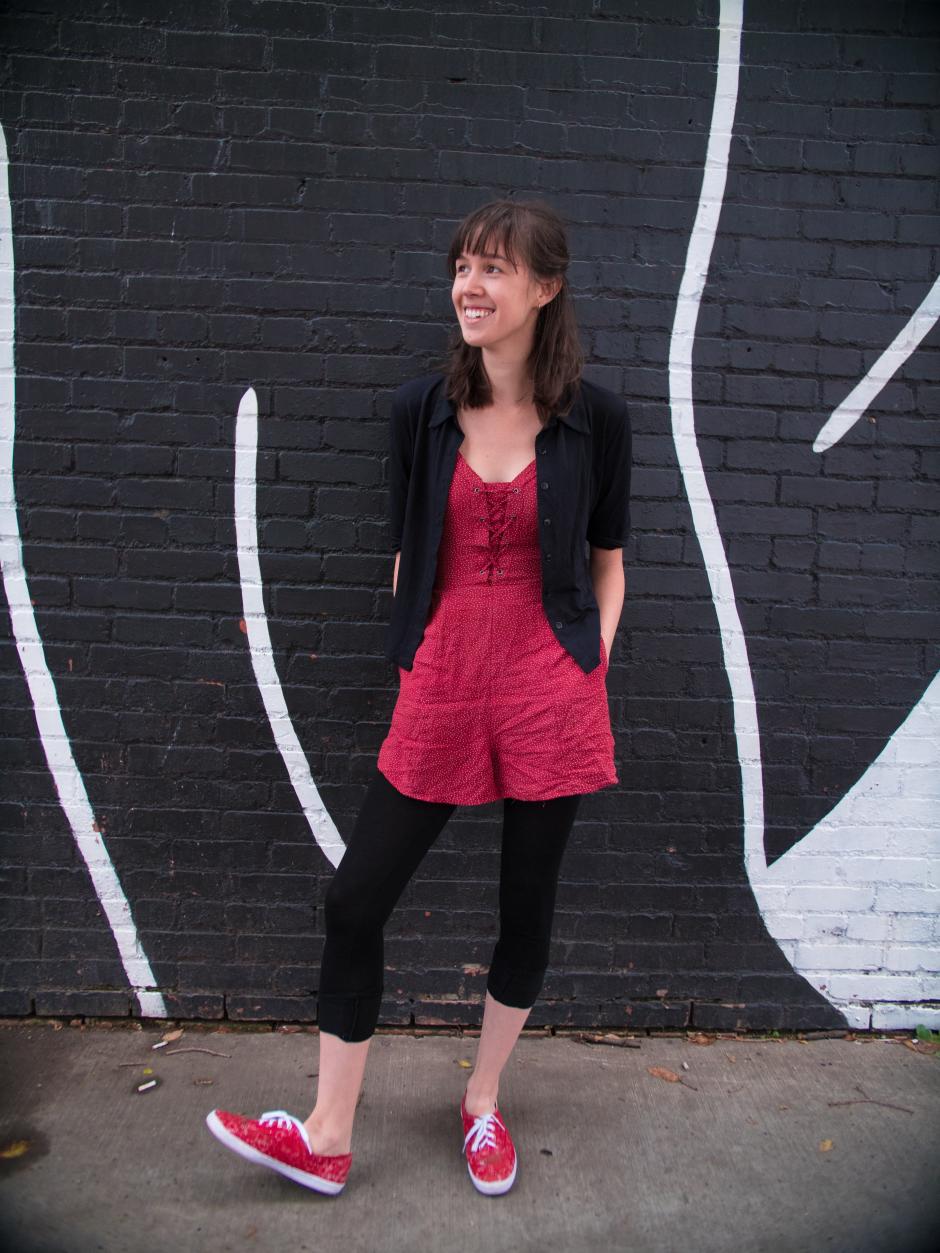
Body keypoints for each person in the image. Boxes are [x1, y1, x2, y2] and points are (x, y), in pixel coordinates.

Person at [206, 198, 632, 1198]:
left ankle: (483, 1100)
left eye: (493, 269)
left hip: (548, 690)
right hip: (442, 680)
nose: (469, 286)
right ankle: (325, 1132)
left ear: (545, 288)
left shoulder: (596, 418)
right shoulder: (419, 411)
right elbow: (410, 552)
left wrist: (590, 660)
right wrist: (426, 644)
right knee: (354, 898)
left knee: (524, 908)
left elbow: (609, 563)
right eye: (461, 266)